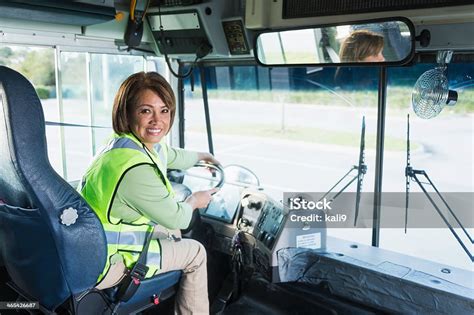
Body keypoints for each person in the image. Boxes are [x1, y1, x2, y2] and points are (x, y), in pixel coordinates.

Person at [79, 71, 219, 314]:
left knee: (169, 230)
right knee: (196, 252)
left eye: (164, 110)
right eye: (146, 111)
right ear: (127, 112)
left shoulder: (123, 145)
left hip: (93, 246)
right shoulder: (136, 170)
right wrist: (196, 200)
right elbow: (179, 217)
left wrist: (201, 157)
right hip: (110, 262)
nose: (158, 120)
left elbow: (169, 154)